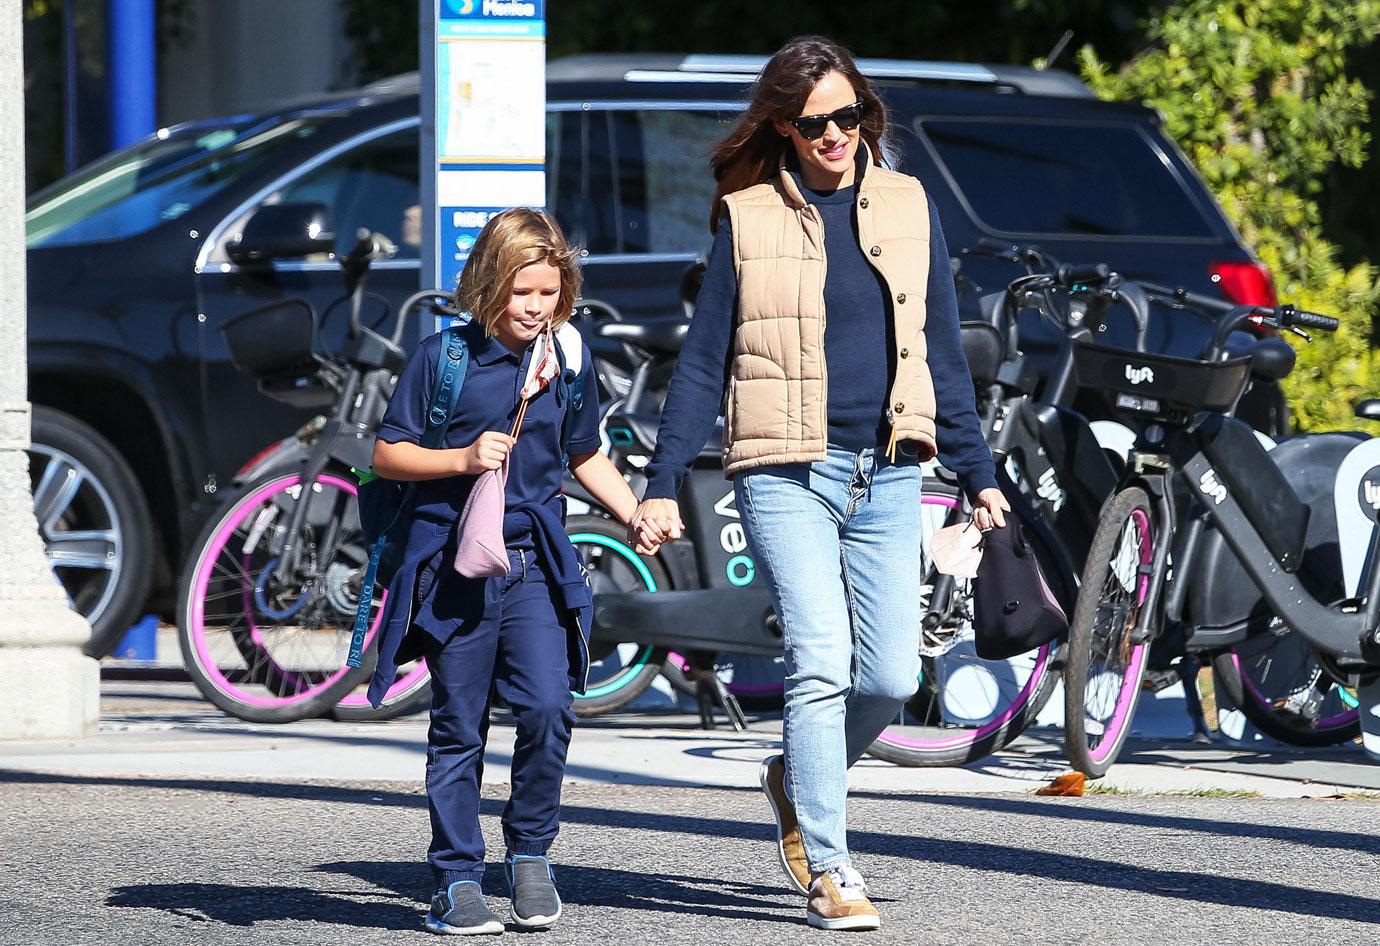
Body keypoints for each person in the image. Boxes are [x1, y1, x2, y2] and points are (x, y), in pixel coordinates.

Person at [631, 36, 1010, 932]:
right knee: (820, 662)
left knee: (886, 675)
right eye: (813, 124)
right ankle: (832, 868)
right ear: (785, 130)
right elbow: (702, 363)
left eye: (846, 116)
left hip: (888, 471)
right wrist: (660, 480)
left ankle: (794, 774)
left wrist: (979, 471)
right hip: (783, 471)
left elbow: (942, 355)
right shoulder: (748, 216)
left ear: (864, 115)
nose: (833, 134)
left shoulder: (911, 206)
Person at [369, 208, 660, 935]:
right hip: (454, 567)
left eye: (550, 295)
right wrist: (460, 460)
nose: (537, 309)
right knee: (459, 726)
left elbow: (585, 450)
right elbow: (387, 454)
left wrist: (633, 512)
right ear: (490, 284)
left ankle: (530, 854)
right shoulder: (444, 359)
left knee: (547, 708)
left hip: (533, 562)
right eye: (522, 293)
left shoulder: (565, 359)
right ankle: (456, 879)